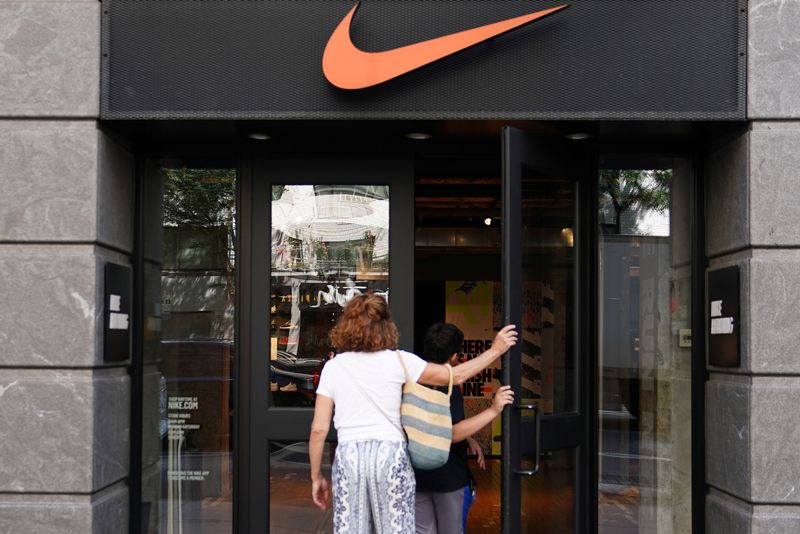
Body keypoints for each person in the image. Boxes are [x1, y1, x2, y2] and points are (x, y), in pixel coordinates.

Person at [308, 294, 517, 534]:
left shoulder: (334, 368)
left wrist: (316, 477)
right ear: (386, 326)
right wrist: (496, 350)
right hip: (390, 454)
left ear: (346, 325)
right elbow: (456, 375)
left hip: (350, 455)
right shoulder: (400, 361)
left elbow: (319, 429)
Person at [414, 323, 514, 534]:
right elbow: (451, 432)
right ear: (454, 356)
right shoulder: (450, 386)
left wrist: (469, 439)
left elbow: (428, 421)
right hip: (448, 478)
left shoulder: (414, 379)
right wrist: (494, 410)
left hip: (417, 477)